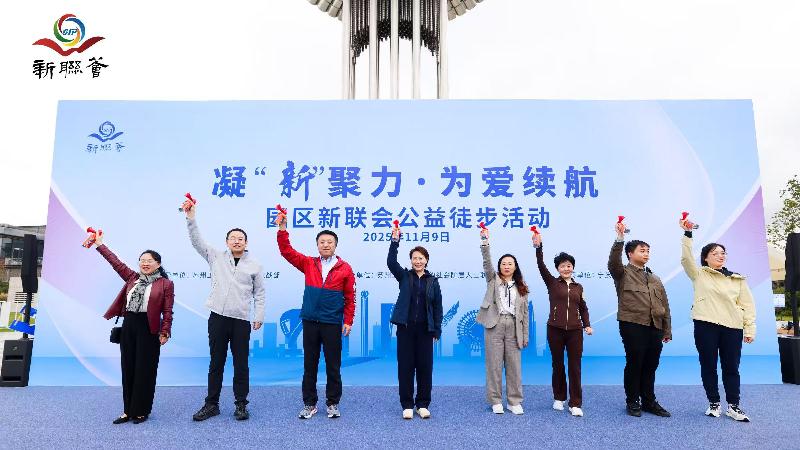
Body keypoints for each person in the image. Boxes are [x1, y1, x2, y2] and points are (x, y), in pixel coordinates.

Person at [184, 201, 265, 422]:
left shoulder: (255, 265)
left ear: (246, 242)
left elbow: (259, 293)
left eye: (241, 238)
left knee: (241, 364)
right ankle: (212, 404)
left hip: (240, 320)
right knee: (216, 362)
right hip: (218, 318)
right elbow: (197, 241)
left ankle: (241, 404)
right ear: (227, 242)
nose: (237, 241)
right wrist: (191, 218)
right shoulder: (216, 256)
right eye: (233, 238)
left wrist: (258, 316)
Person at [276, 209, 356, 420]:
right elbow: (287, 252)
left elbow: (350, 297)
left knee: (333, 366)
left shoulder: (345, 268)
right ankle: (309, 403)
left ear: (335, 245)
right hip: (310, 322)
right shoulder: (309, 263)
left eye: (329, 242)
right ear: (317, 245)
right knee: (309, 365)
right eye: (322, 242)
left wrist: (348, 320)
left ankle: (332, 403)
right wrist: (282, 229)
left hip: (332, 322)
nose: (326, 245)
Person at [679, 219, 756, 421]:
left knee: (731, 368)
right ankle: (714, 403)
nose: (720, 256)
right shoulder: (699, 274)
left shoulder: (737, 279)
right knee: (708, 365)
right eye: (715, 253)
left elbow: (747, 305)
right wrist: (687, 234)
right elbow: (686, 259)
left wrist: (749, 329)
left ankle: (734, 406)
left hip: (732, 327)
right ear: (705, 258)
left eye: (723, 253)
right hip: (706, 325)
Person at [95, 232, 173, 425]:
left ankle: (141, 411)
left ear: (158, 264)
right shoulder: (132, 277)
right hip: (129, 325)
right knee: (128, 367)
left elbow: (167, 310)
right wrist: (99, 245)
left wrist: (165, 331)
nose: (145, 263)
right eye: (142, 260)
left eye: (149, 261)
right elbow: (115, 262)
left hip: (150, 328)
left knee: (145, 370)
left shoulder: (165, 284)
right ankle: (127, 410)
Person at [608, 220, 672, 418]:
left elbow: (664, 305)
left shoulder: (655, 278)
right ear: (630, 254)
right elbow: (613, 262)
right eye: (642, 250)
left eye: (648, 251)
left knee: (651, 365)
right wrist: (620, 239)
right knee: (635, 362)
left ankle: (649, 401)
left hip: (655, 326)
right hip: (632, 324)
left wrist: (667, 329)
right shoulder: (622, 273)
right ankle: (632, 400)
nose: (646, 254)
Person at [387, 225, 443, 419]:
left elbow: (437, 307)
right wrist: (395, 241)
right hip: (406, 328)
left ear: (426, 260)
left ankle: (423, 404)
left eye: (421, 258)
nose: (418, 261)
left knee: (425, 367)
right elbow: (391, 262)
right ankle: (407, 404)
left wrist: (437, 329)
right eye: (414, 258)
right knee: (405, 367)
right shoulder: (404, 276)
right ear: (411, 261)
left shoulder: (432, 281)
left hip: (426, 330)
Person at [533, 231, 591, 417]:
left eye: (569, 266)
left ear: (573, 267)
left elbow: (583, 308)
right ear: (557, 268)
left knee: (575, 367)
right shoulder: (552, 282)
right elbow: (540, 265)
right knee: (557, 364)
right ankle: (559, 397)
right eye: (562, 266)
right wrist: (538, 247)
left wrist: (587, 324)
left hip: (575, 331)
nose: (566, 268)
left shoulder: (578, 287)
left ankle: (575, 403)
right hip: (555, 330)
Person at [476, 227, 530, 415]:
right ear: (499, 266)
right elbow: (486, 262)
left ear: (515, 267)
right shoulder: (493, 279)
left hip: (514, 326)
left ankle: (514, 401)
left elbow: (525, 314)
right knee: (494, 365)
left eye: (510, 263)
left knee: (514, 365)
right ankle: (496, 400)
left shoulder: (522, 287)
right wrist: (485, 242)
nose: (506, 266)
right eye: (503, 263)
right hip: (495, 324)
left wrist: (525, 335)